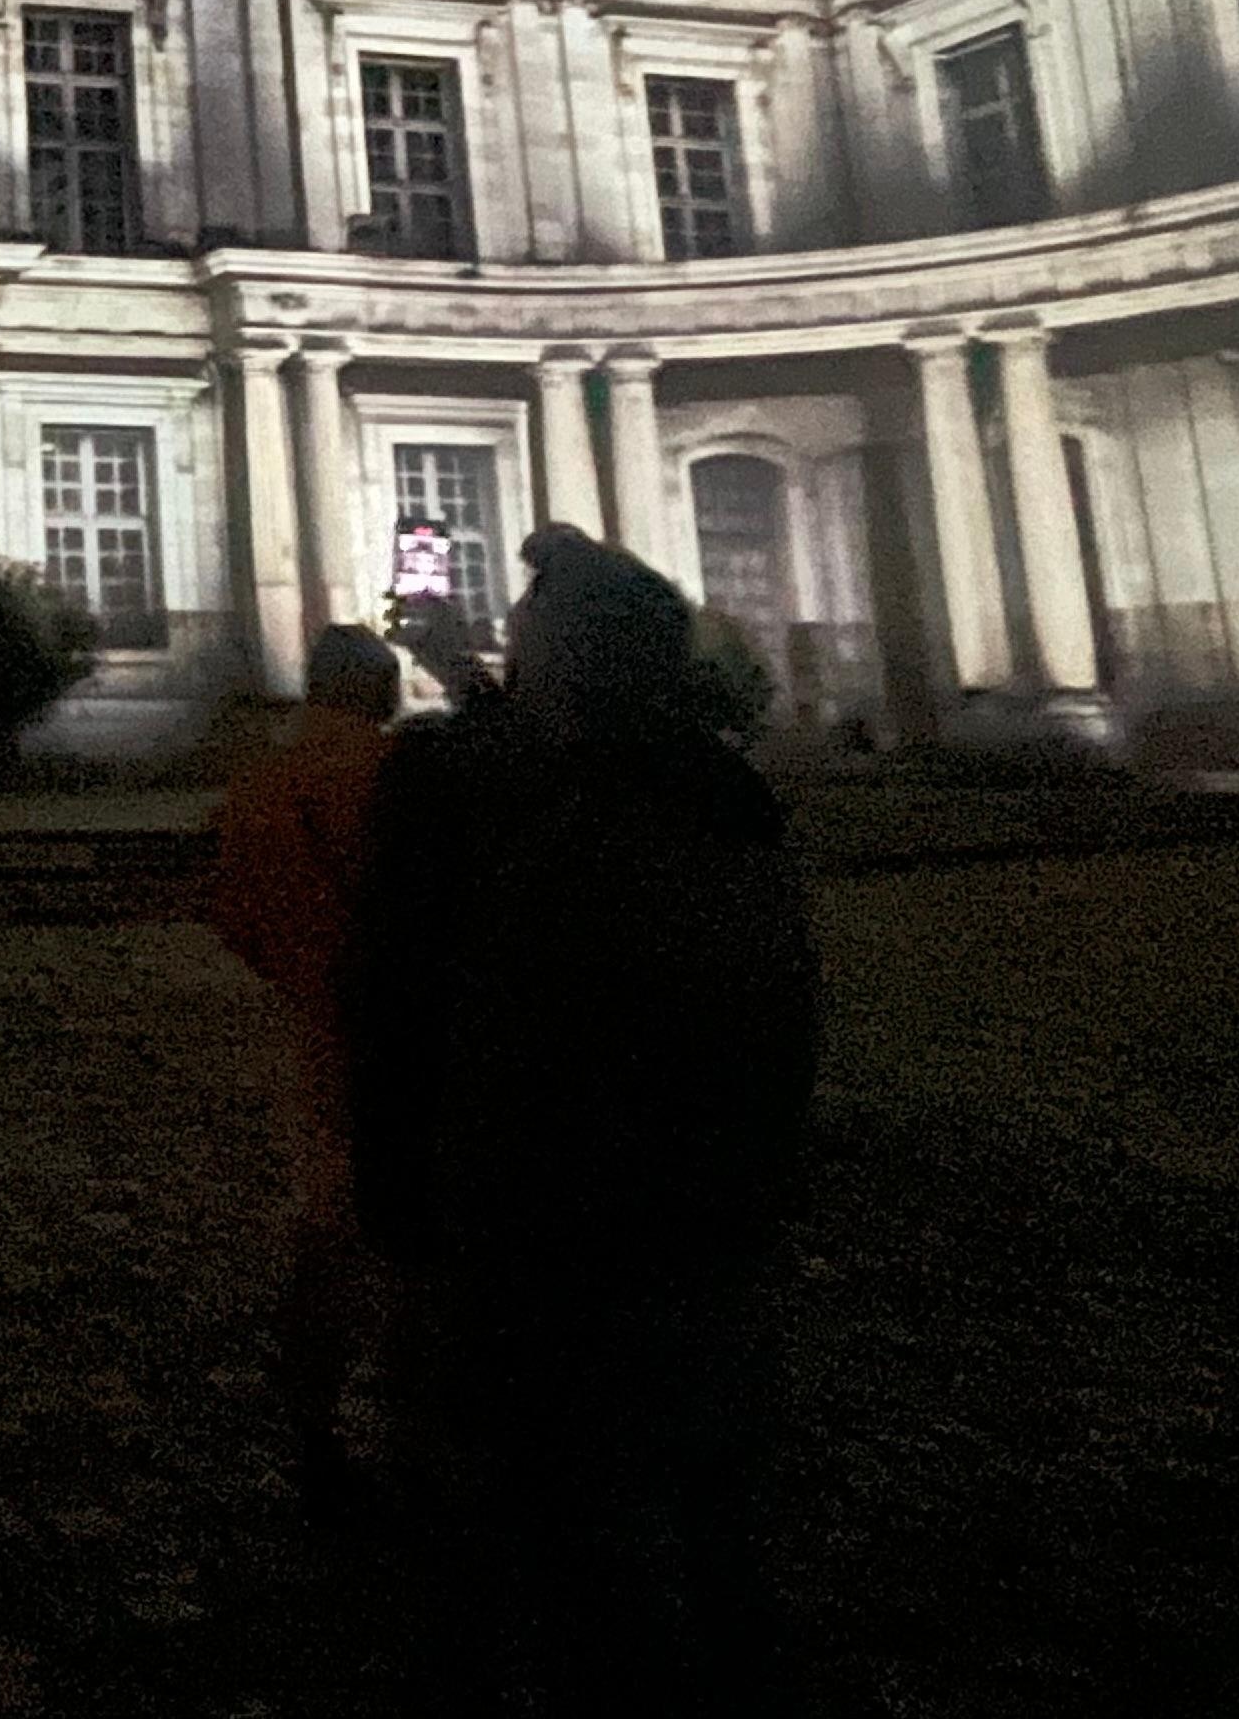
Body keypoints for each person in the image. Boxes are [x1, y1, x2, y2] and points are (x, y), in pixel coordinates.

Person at [351, 525, 823, 1711]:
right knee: (710, 1536)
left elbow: (451, 1023)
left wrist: (416, 1211)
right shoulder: (726, 807)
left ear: (565, 672)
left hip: (559, 1251)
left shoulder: (556, 818)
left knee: (561, 1548)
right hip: (716, 1239)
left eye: (535, 648)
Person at [205, 623, 411, 1521]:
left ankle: (314, 1424)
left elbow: (235, 916)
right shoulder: (394, 772)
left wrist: (304, 969)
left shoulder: (260, 782)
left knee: (329, 1232)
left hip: (319, 1028)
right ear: (380, 689)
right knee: (420, 1241)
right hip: (406, 1027)